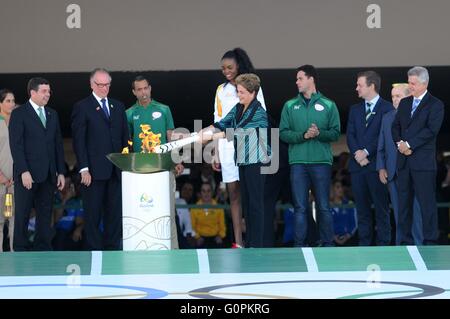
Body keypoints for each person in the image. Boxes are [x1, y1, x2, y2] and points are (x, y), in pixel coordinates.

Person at [200, 73, 270, 248]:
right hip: (242, 161)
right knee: (246, 203)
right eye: (238, 92)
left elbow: (238, 131)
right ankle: (250, 243)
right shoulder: (238, 108)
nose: (239, 95)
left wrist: (212, 136)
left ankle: (257, 244)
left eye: (242, 92)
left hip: (256, 161)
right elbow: (223, 123)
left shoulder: (259, 112)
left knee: (255, 203)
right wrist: (205, 131)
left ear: (253, 92)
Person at [279, 65, 341, 247]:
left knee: (323, 206)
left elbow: (336, 133)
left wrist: (319, 133)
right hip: (298, 163)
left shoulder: (329, 104)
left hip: (321, 162)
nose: (296, 82)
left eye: (300, 78)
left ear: (311, 79)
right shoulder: (290, 105)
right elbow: (283, 133)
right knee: (300, 208)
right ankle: (300, 246)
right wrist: (303, 135)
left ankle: (328, 245)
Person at [213, 48, 266, 248]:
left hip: (251, 148)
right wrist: (215, 151)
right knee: (234, 193)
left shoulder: (253, 87)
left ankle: (255, 242)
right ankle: (239, 241)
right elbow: (218, 121)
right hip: (227, 147)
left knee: (252, 196)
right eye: (223, 68)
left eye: (230, 67)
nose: (226, 71)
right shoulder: (221, 90)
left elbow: (256, 122)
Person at [71, 68, 129, 250]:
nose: (104, 88)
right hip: (93, 173)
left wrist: (125, 165)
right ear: (91, 84)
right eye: (100, 84)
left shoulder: (118, 106)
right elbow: (79, 141)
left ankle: (112, 251)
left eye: (107, 85)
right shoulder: (82, 107)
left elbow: (124, 138)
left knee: (114, 215)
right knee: (93, 215)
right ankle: (94, 253)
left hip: (115, 170)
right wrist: (83, 169)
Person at [9, 78, 66, 251]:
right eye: (44, 91)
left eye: (49, 91)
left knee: (45, 214)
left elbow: (57, 144)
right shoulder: (19, 114)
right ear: (32, 93)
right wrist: (23, 171)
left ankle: (43, 249)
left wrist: (61, 172)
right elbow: (16, 145)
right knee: (23, 215)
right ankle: (20, 249)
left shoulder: (52, 114)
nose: (47, 95)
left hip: (48, 174)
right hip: (27, 174)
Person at [392, 66, 445, 245]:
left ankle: (430, 239)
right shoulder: (405, 103)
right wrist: (400, 143)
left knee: (426, 204)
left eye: (413, 83)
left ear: (424, 83)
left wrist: (409, 144)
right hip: (404, 162)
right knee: (404, 205)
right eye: (409, 82)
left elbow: (431, 131)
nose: (410, 86)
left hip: (423, 164)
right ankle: (405, 241)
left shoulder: (436, 104)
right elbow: (395, 126)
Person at [346, 71, 393, 246]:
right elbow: (350, 135)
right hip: (358, 167)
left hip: (377, 166)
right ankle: (364, 246)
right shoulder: (355, 109)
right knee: (362, 210)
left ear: (371, 86)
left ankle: (384, 245)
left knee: (381, 209)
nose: (356, 88)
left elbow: (384, 136)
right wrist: (358, 154)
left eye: (360, 85)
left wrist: (366, 151)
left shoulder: (387, 108)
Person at [377, 83, 423, 245]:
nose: (394, 100)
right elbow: (381, 146)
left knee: (415, 212)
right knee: (398, 213)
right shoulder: (387, 117)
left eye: (398, 96)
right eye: (393, 97)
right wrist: (381, 167)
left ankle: (418, 246)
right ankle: (401, 247)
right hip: (393, 173)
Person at [0, 89, 16, 251]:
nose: (11, 104)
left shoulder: (17, 122)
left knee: (11, 217)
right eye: (7, 101)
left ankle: (13, 253)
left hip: (12, 182)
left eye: (13, 101)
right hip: (1, 181)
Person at [190, 183, 226, 248]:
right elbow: (192, 227)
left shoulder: (218, 207)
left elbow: (222, 227)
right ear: (200, 193)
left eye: (208, 191)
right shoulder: (194, 208)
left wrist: (220, 236)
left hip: (215, 238)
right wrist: (197, 237)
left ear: (212, 192)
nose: (206, 194)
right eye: (203, 191)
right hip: (200, 239)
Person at [330, 180, 358, 246]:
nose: (341, 189)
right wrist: (333, 237)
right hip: (331, 241)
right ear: (332, 189)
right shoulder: (327, 207)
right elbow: (325, 225)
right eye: (337, 187)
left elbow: (354, 224)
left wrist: (347, 236)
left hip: (349, 240)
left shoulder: (350, 204)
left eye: (341, 187)